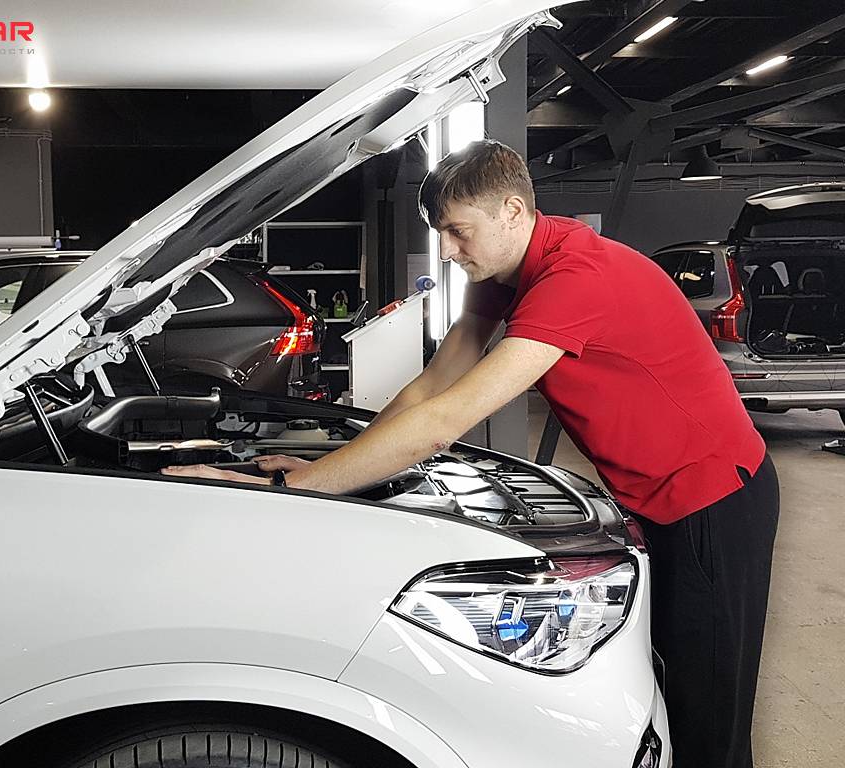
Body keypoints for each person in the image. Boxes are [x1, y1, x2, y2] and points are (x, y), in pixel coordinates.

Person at [166, 139, 780, 768]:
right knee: (663, 690)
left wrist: (293, 492)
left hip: (712, 496)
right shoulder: (506, 272)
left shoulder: (574, 278)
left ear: (512, 211)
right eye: (441, 234)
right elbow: (433, 384)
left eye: (459, 233)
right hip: (652, 493)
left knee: (708, 718)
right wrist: (331, 466)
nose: (448, 252)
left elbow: (448, 418)